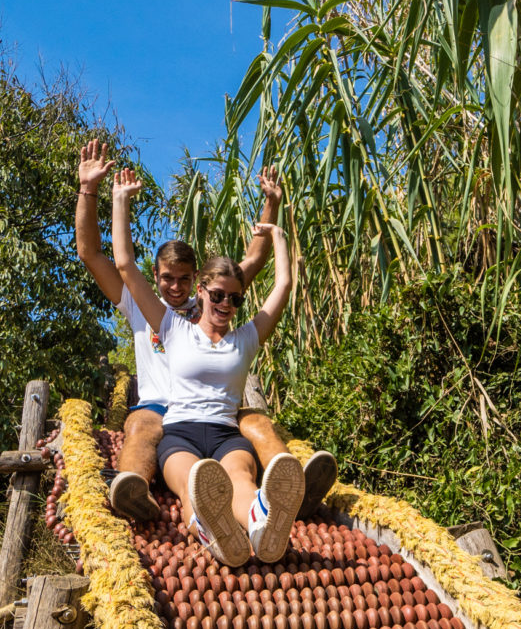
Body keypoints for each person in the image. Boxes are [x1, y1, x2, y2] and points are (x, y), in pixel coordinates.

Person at [73, 140, 337, 521]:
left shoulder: (214, 305)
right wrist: (90, 189)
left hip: (215, 411)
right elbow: (93, 254)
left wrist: (271, 205)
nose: (174, 288)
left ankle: (293, 483)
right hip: (163, 409)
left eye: (183, 279)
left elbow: (252, 260)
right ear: (155, 278)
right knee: (144, 425)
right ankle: (132, 487)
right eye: (166, 279)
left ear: (198, 281)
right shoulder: (145, 308)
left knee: (258, 422)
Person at [109, 165, 301, 565]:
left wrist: (278, 232)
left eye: (235, 299)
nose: (226, 305)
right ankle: (211, 529)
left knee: (241, 479)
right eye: (218, 296)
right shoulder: (173, 326)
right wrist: (120, 201)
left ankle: (259, 523)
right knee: (194, 485)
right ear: (202, 292)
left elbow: (282, 285)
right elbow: (126, 266)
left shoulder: (246, 337)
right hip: (179, 432)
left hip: (225, 432)